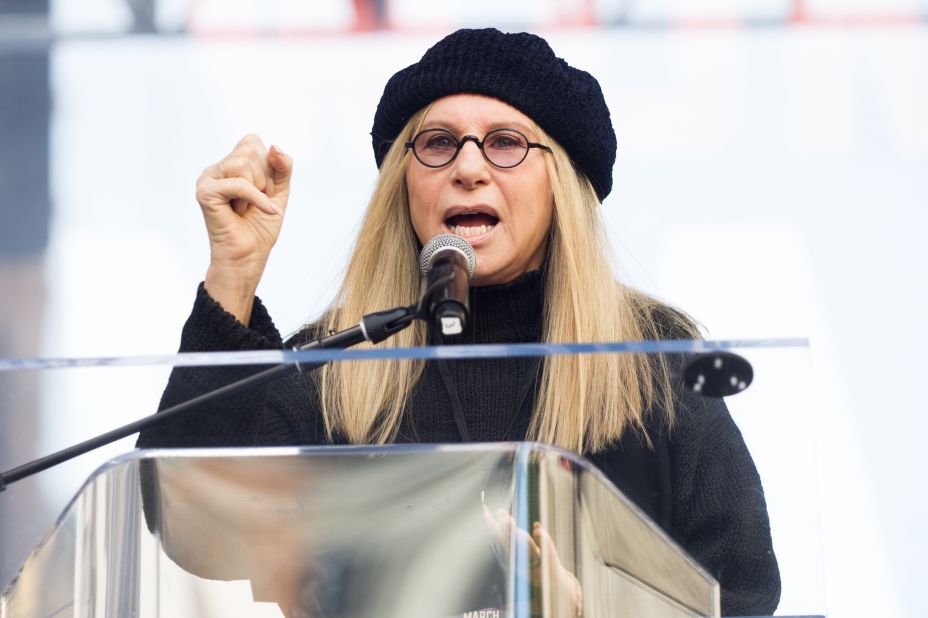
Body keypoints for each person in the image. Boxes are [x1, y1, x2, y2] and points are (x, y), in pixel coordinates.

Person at [137, 28, 780, 616]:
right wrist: (234, 272)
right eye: (439, 143)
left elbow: (743, 594)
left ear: (561, 181)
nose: (468, 168)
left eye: (505, 143)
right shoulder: (333, 370)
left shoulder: (653, 359)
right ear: (406, 182)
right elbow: (190, 530)